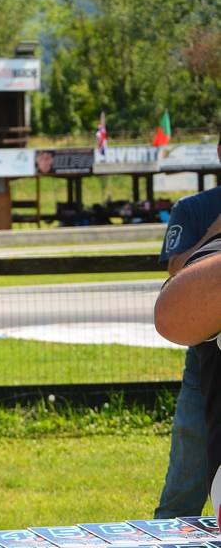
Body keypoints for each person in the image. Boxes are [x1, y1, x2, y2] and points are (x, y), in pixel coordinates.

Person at [154, 134, 221, 518]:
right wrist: (216, 232)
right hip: (205, 367)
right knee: (183, 493)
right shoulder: (194, 208)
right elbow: (176, 271)